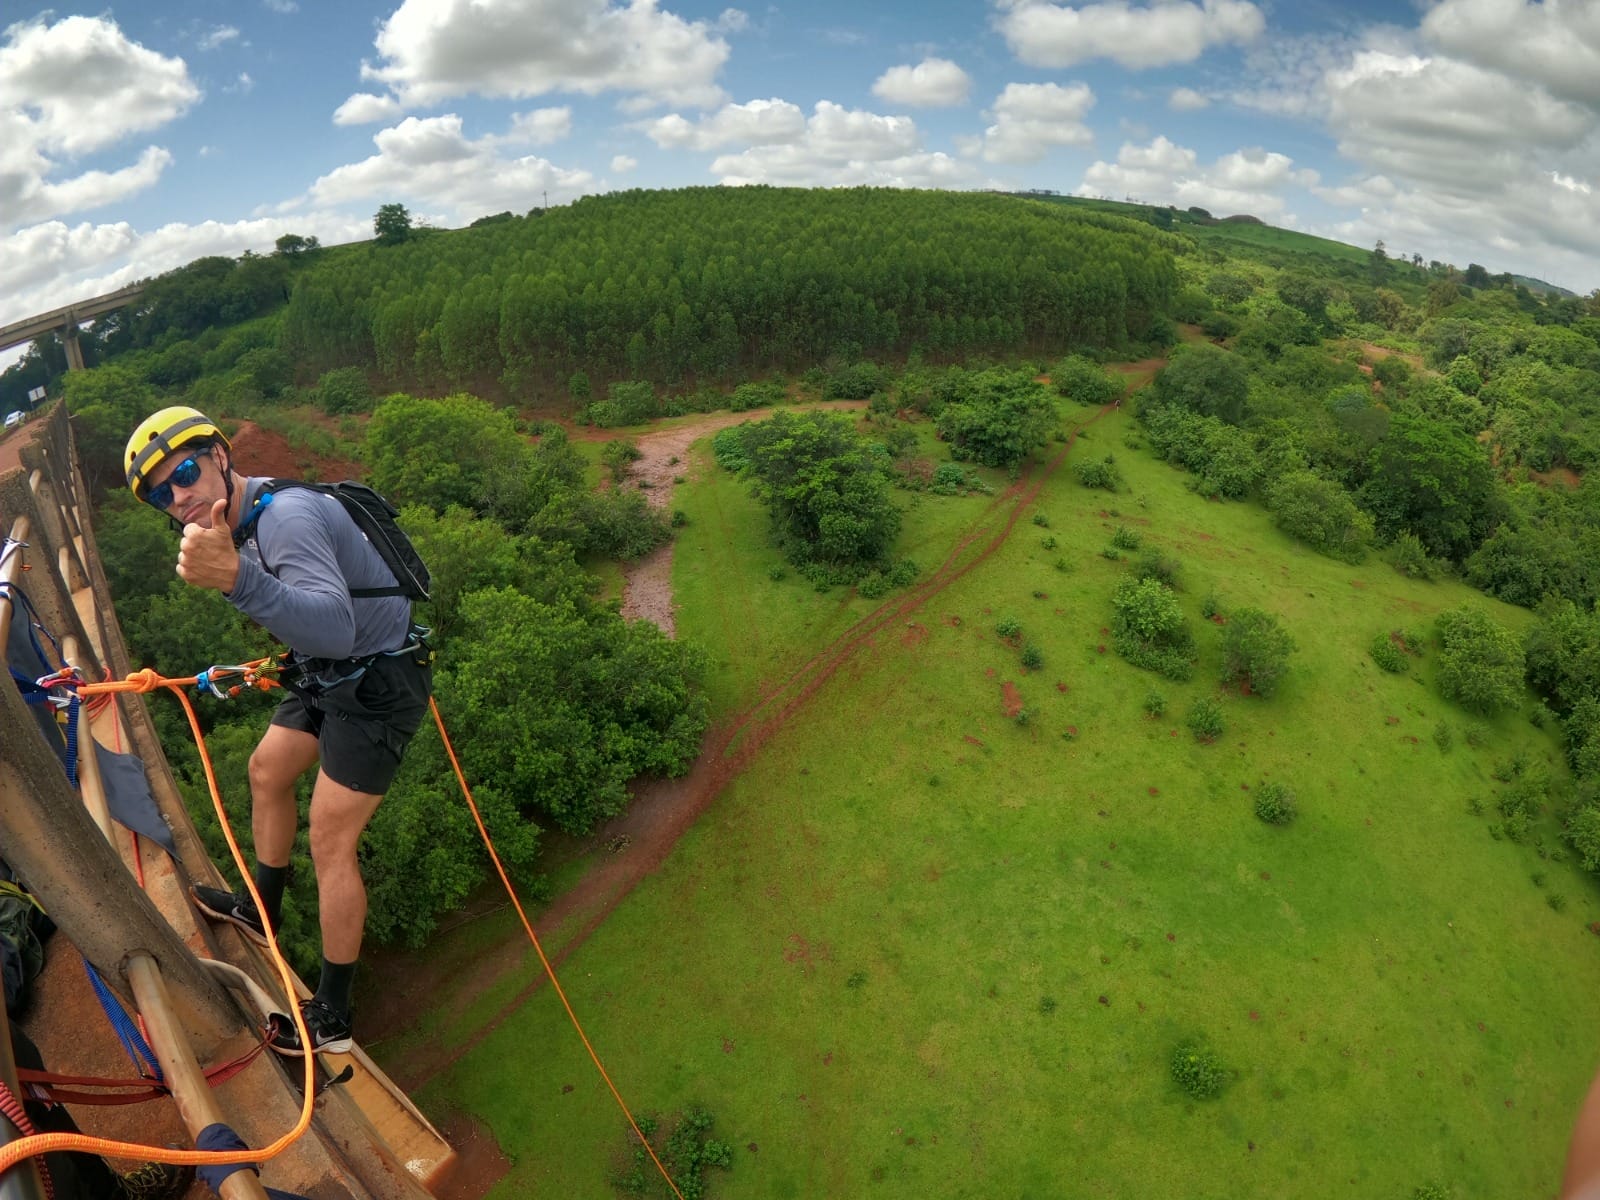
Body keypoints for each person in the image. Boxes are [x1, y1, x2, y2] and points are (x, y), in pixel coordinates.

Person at [123, 407, 432, 1056]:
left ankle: (336, 1017)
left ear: (220, 458)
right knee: (265, 770)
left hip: (376, 686)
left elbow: (336, 627)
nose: (177, 496)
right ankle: (259, 912)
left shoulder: (283, 521)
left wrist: (237, 581)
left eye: (185, 471)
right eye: (161, 492)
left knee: (330, 839)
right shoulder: (235, 520)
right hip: (329, 673)